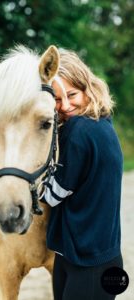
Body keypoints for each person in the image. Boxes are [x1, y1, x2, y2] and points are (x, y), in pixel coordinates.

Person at [42, 48, 124, 300]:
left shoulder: (77, 129)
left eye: (72, 94)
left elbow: (53, 195)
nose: (65, 106)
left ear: (87, 88)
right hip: (104, 257)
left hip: (86, 264)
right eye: (56, 99)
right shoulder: (103, 122)